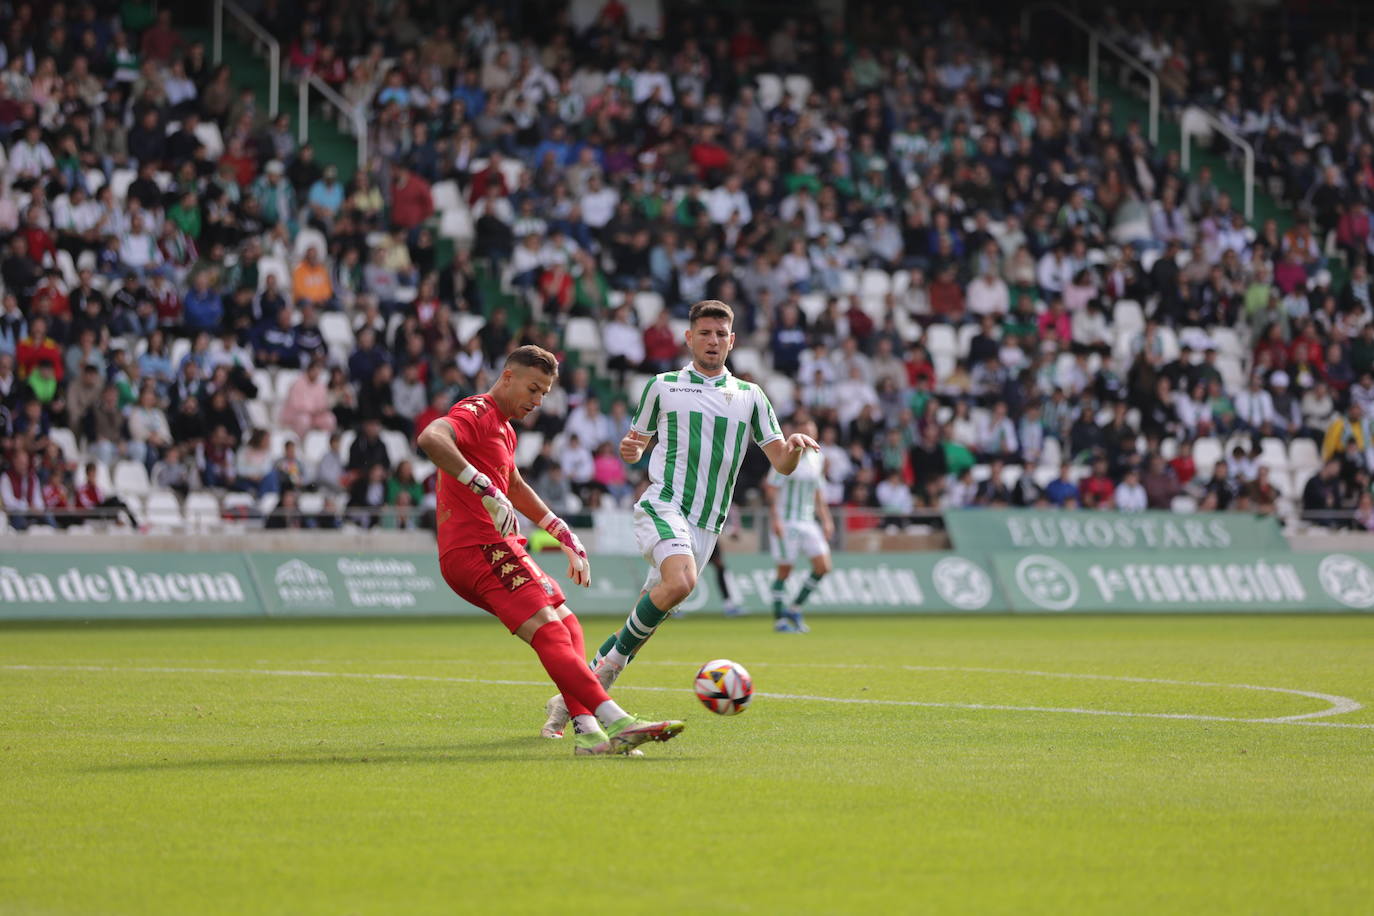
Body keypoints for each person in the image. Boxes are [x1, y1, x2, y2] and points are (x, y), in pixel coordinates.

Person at [542, 300, 820, 738]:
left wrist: (796, 447)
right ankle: (604, 685)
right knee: (681, 583)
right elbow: (634, 443)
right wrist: (630, 451)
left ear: (733, 340)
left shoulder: (751, 396)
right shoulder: (663, 386)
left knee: (649, 618)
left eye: (721, 333)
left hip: (708, 525)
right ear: (689, 338)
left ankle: (567, 703)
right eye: (704, 333)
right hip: (664, 505)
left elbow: (780, 463)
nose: (713, 340)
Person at [417, 345, 682, 756]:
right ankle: (618, 721)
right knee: (551, 629)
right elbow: (431, 438)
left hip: (498, 547)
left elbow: (515, 485)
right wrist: (482, 487)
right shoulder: (478, 411)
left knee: (568, 624)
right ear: (508, 377)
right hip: (477, 548)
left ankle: (590, 733)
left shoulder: (504, 428)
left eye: (544, 393)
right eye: (533, 388)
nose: (538, 401)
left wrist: (562, 532)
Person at [762, 418, 834, 633]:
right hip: (787, 520)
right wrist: (775, 519)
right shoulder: (787, 454)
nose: (808, 436)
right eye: (805, 432)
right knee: (785, 570)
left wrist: (827, 519)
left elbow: (818, 492)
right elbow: (771, 489)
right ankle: (779, 619)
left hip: (807, 520)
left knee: (823, 567)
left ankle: (794, 608)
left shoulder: (817, 459)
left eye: (812, 431)